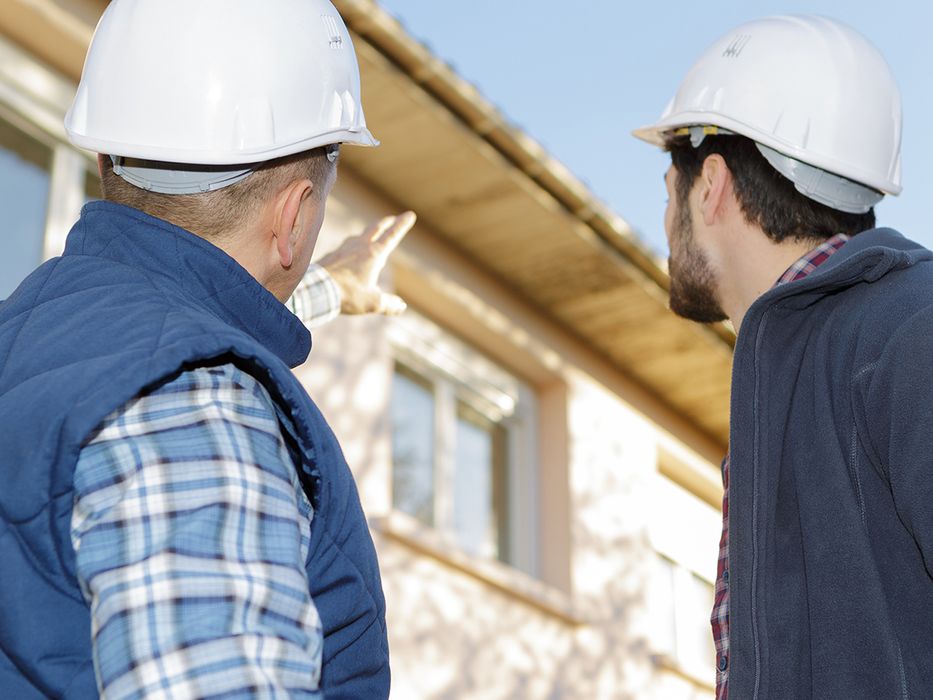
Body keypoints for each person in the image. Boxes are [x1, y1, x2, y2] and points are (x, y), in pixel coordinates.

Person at [0, 0, 413, 697]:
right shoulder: (197, 403)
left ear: (106, 157)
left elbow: (185, 296)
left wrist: (329, 289)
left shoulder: (35, 335)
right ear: (294, 217)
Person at [635, 15, 933, 699]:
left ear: (708, 185)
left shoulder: (907, 331)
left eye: (666, 194)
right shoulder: (797, 371)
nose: (663, 222)